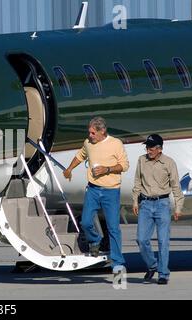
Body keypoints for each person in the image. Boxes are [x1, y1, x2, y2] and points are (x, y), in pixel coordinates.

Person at [63, 117, 129, 277]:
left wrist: (107, 170)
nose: (90, 135)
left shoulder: (116, 144)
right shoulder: (88, 143)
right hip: (92, 189)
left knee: (113, 228)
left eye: (93, 133)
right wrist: (69, 169)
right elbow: (80, 155)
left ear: (102, 131)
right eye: (89, 132)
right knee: (85, 222)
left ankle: (117, 263)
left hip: (111, 191)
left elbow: (124, 165)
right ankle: (95, 240)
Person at [132, 134, 184, 285]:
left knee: (163, 241)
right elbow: (137, 182)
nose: (148, 150)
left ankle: (163, 274)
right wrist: (135, 201)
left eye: (151, 147)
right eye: (147, 147)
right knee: (141, 240)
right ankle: (152, 265)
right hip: (146, 205)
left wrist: (178, 208)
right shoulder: (141, 160)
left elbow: (176, 186)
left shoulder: (169, 163)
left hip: (162, 204)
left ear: (159, 149)